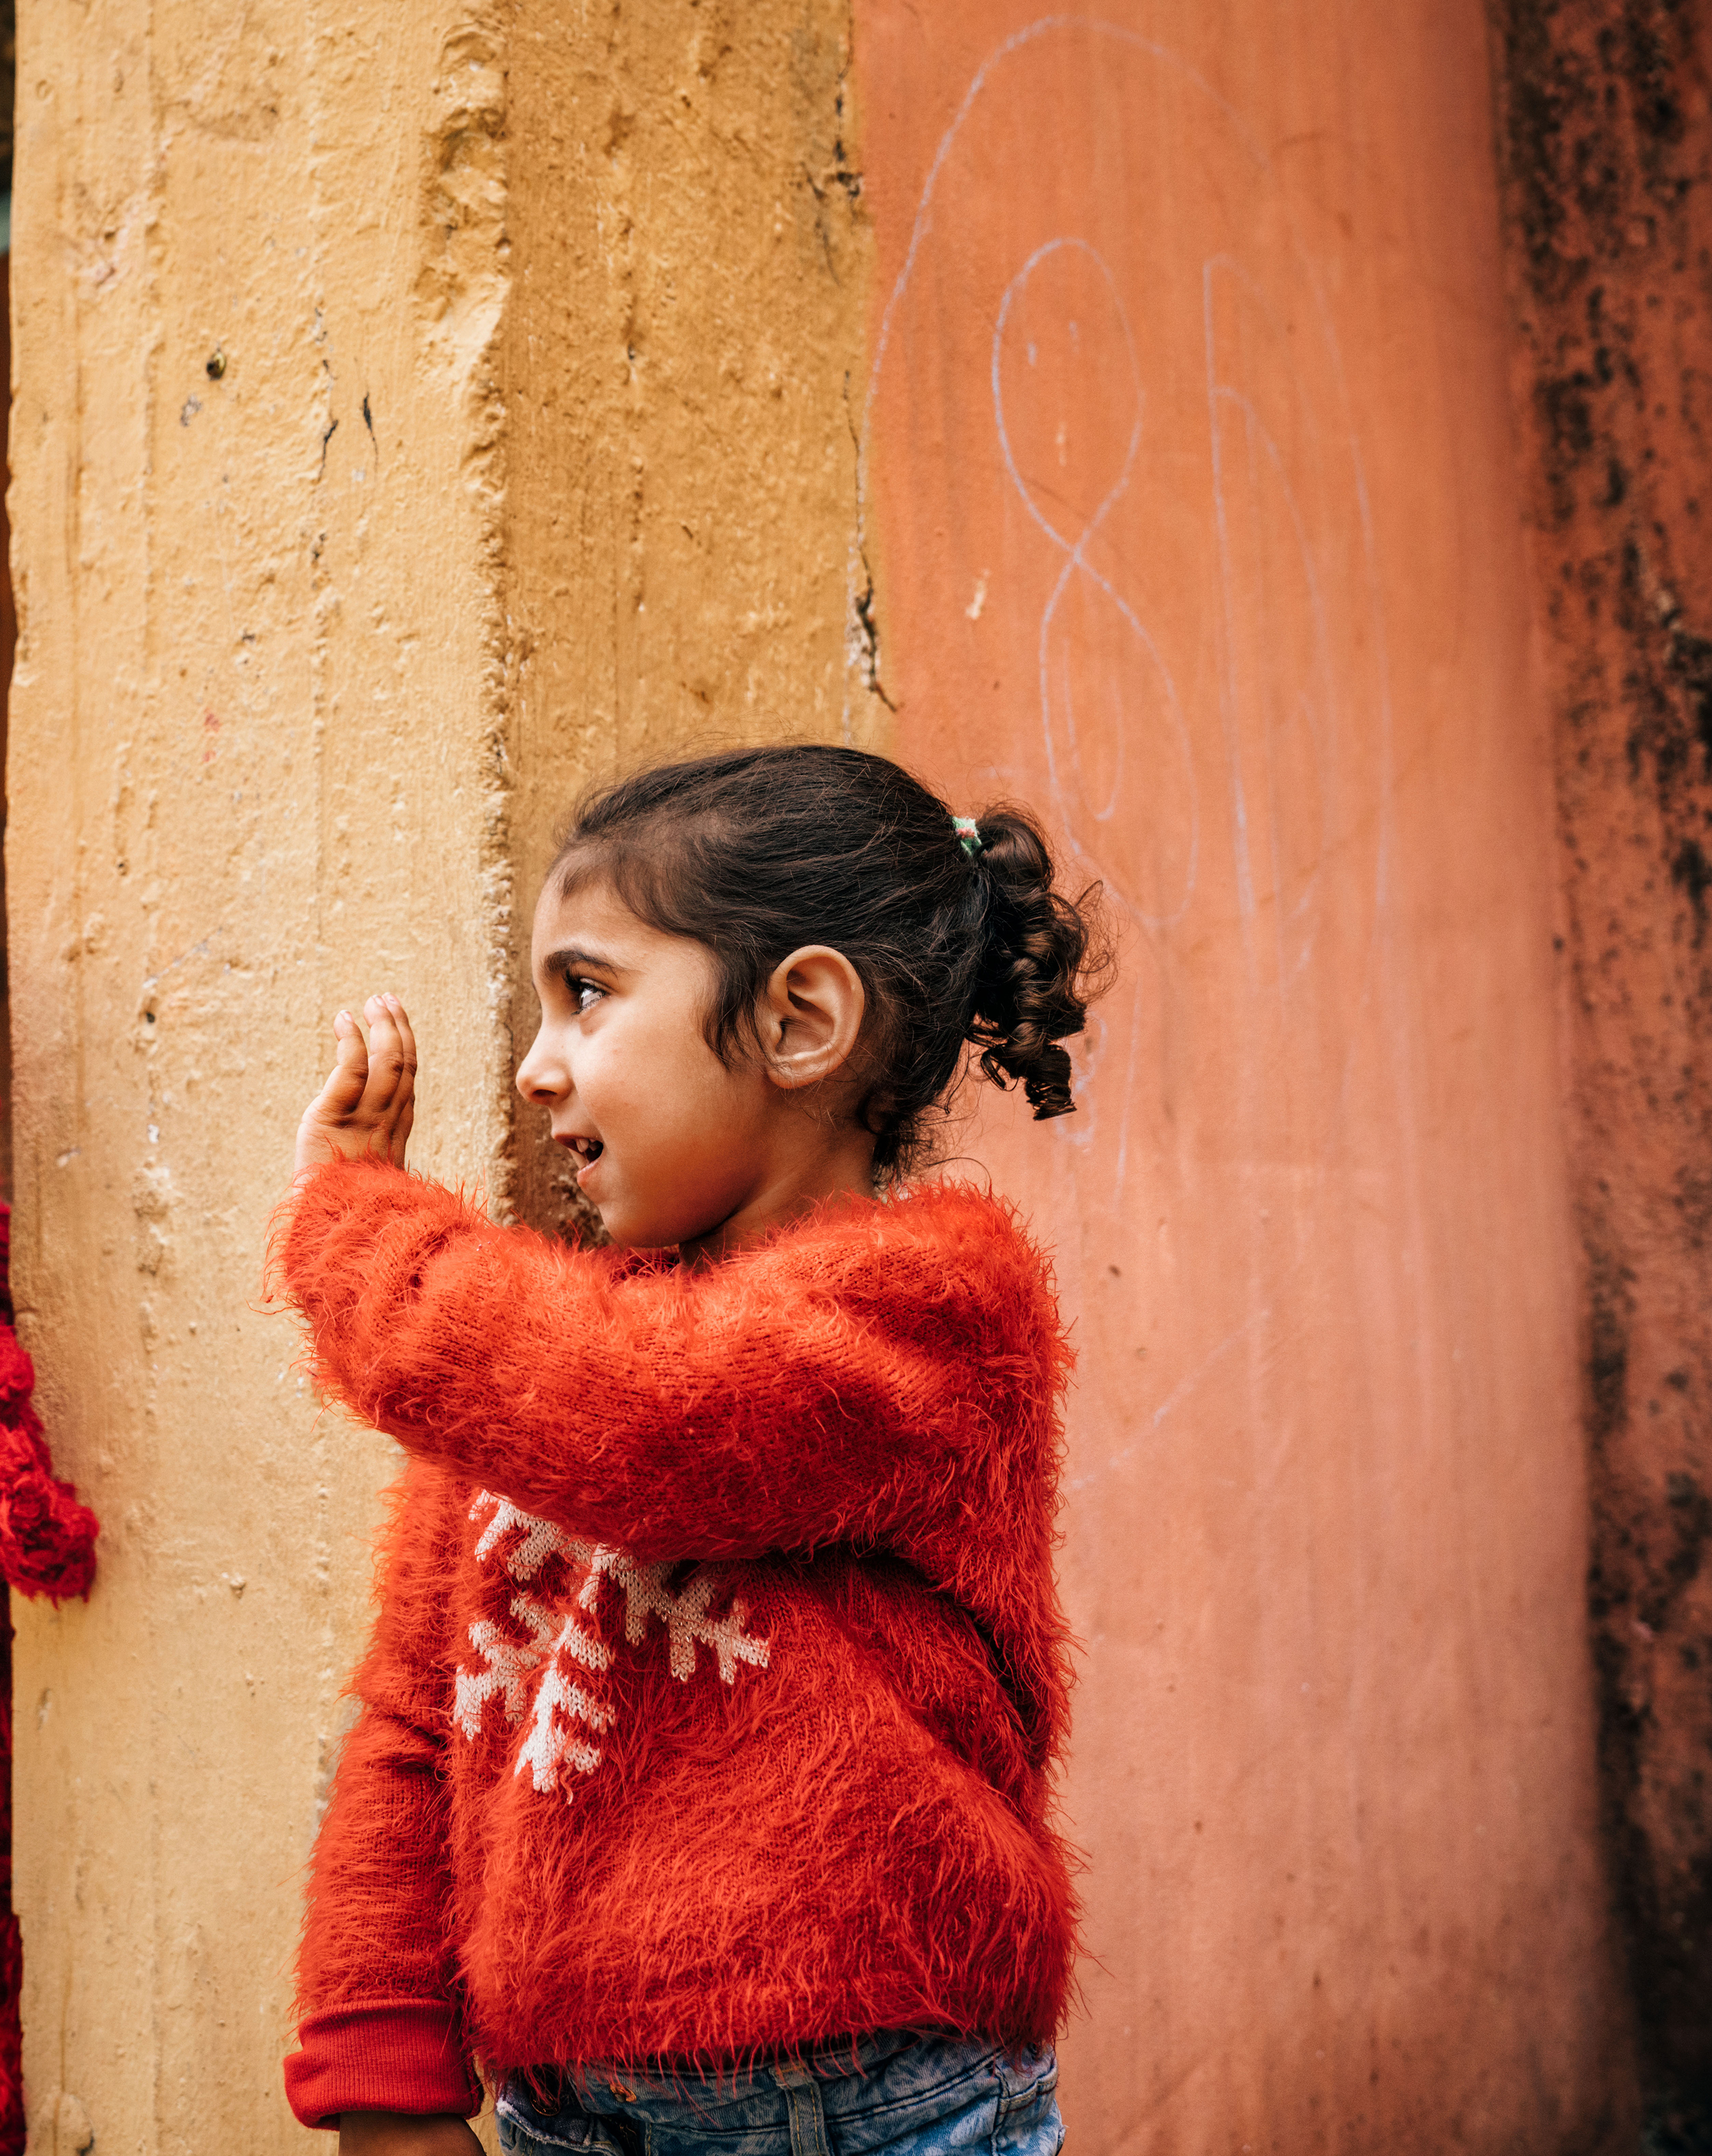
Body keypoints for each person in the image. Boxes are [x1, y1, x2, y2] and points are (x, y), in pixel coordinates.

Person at [271, 743, 1100, 2155]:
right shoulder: (534, 1374)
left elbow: (655, 1421)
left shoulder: (934, 1307)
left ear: (801, 1020)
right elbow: (418, 1721)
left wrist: (360, 1232)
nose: (537, 1070)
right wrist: (379, 2068)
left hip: (872, 2097)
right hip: (566, 2113)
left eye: (585, 995)